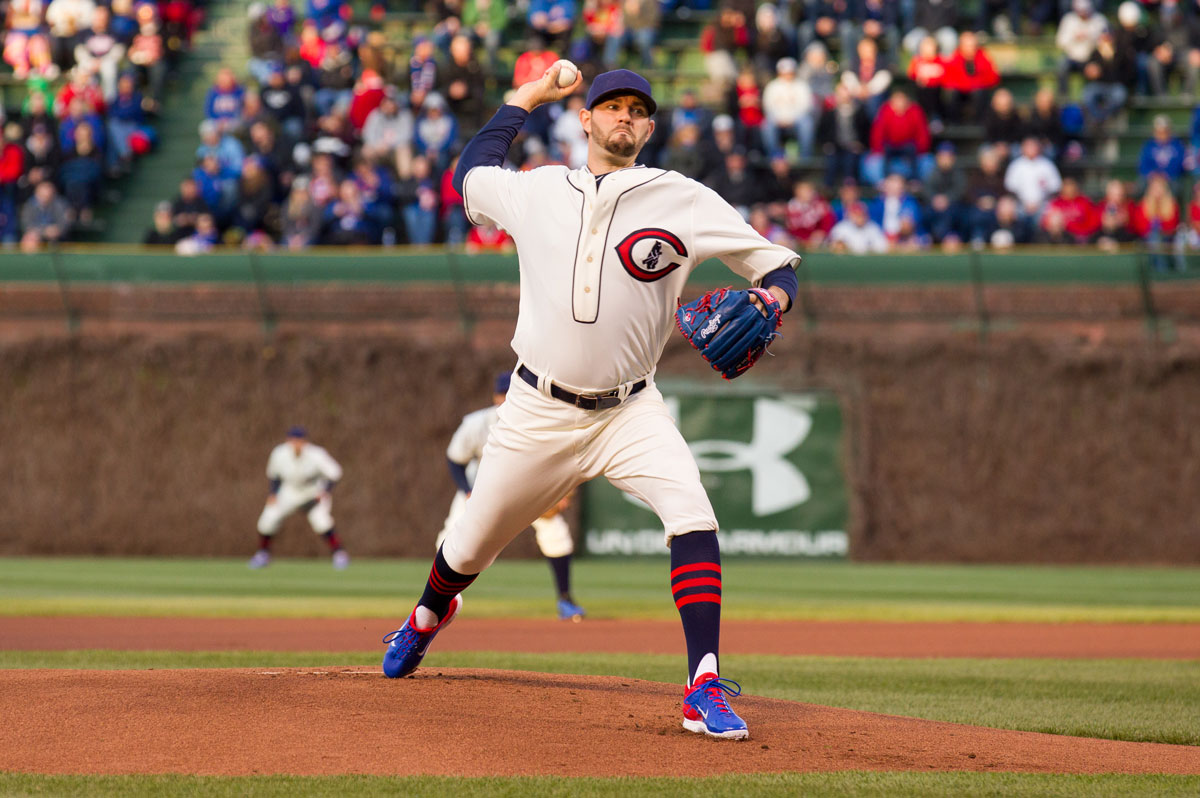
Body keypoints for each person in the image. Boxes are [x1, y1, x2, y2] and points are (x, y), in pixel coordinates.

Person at [380, 65, 801, 743]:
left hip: (630, 411)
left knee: (693, 514)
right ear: (585, 119)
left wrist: (773, 298)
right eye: (611, 106)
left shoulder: (683, 199)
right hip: (536, 410)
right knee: (467, 546)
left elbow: (776, 264)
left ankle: (703, 684)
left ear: (650, 127)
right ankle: (426, 618)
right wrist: (527, 95)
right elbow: (470, 174)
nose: (624, 116)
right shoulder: (539, 190)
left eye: (637, 109)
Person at [435, 372, 587, 621]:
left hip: (527, 487)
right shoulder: (477, 423)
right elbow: (455, 459)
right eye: (502, 394)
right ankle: (439, 601)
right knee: (449, 535)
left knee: (556, 535)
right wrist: (466, 489)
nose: (507, 398)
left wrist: (558, 491)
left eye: (511, 392)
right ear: (495, 397)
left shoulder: (541, 422)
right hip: (479, 487)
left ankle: (565, 600)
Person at [249, 426, 348, 570]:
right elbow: (274, 476)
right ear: (288, 440)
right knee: (267, 519)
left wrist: (325, 491)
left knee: (322, 521)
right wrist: (273, 494)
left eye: (299, 440)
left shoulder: (316, 454)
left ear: (304, 441)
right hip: (289, 491)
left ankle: (339, 554)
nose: (296, 444)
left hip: (312, 492)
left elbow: (335, 473)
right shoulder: (279, 453)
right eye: (293, 440)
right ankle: (263, 554)